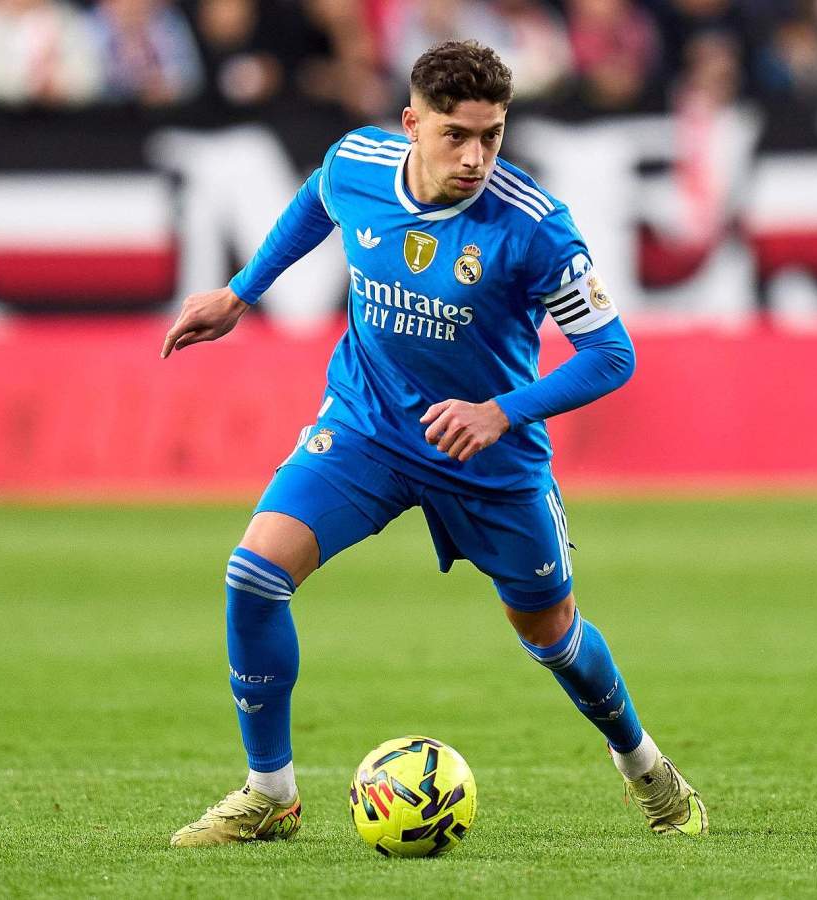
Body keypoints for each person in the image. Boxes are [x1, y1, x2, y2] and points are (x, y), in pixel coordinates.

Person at [161, 38, 708, 846]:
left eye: (492, 135)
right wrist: (242, 293)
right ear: (412, 123)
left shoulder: (535, 229)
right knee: (254, 574)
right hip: (369, 429)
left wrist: (502, 411)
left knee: (553, 637)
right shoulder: (358, 164)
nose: (476, 155)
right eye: (456, 134)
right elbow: (319, 196)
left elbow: (611, 353)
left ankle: (645, 768)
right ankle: (269, 793)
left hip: (490, 460)